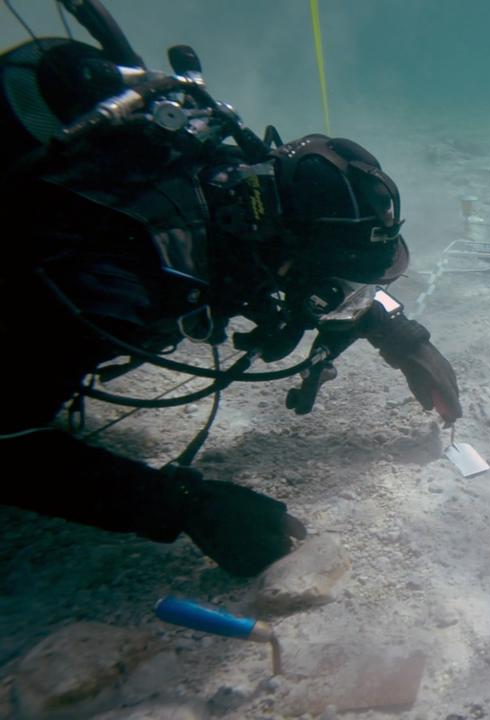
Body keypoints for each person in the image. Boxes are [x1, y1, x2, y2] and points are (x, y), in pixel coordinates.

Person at [0, 11, 461, 577]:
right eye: (338, 295)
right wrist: (182, 507)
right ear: (285, 263)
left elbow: (320, 270)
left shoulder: (235, 180)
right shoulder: (109, 280)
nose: (348, 307)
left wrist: (398, 333)